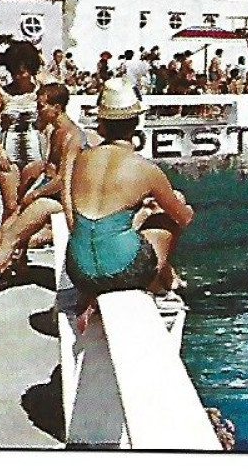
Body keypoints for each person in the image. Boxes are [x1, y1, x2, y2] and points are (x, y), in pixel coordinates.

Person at [65, 79, 194, 333]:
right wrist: (167, 207)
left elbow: (72, 213)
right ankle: (159, 285)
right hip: (124, 273)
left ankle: (92, 294)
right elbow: (183, 218)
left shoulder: (82, 159)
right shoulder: (145, 169)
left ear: (101, 125)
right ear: (136, 123)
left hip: (78, 271)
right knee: (172, 210)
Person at [0, 82, 86, 292]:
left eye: (41, 106)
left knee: (10, 237)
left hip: (56, 196)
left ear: (57, 108)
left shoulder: (71, 135)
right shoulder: (56, 131)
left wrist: (35, 193)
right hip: (47, 190)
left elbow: (62, 179)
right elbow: (48, 168)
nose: (37, 110)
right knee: (2, 232)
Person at [0, 40, 44, 222]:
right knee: (11, 206)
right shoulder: (1, 93)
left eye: (23, 70)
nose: (19, 76)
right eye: (15, 71)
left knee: (28, 203)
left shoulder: (41, 91)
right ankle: (5, 245)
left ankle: (21, 249)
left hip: (35, 148)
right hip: (8, 147)